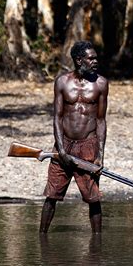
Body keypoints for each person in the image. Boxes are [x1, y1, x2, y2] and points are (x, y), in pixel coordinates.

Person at [40, 41, 108, 234]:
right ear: (79, 60)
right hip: (63, 145)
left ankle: (97, 243)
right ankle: (42, 238)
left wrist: (100, 155)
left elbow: (101, 121)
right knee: (51, 196)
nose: (95, 61)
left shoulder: (101, 84)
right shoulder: (62, 82)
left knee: (93, 198)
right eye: (91, 58)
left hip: (88, 146)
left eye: (96, 57)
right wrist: (60, 151)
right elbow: (57, 117)